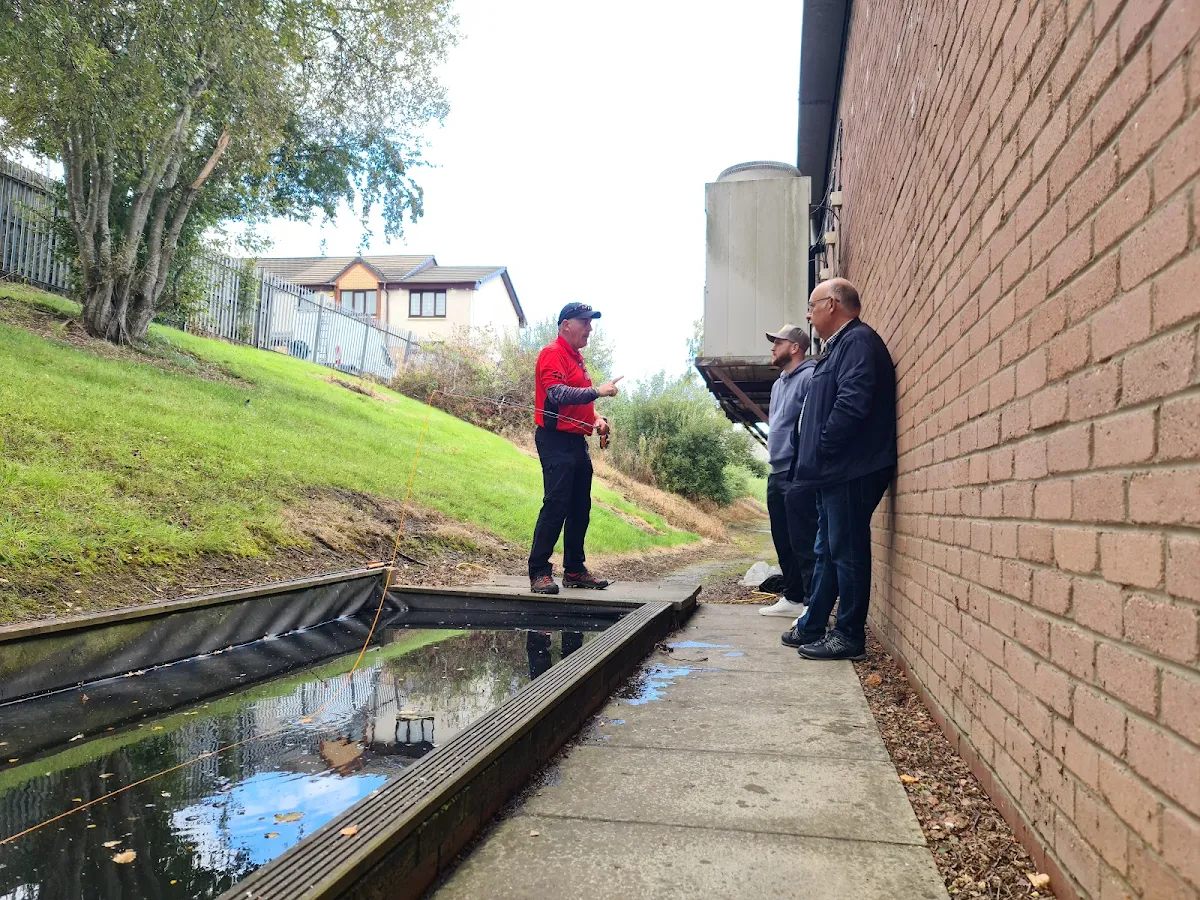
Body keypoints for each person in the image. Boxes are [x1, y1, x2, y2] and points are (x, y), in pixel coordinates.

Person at [781, 278, 897, 661]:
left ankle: (849, 635)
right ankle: (814, 624)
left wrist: (825, 448)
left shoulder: (858, 342)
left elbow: (852, 402)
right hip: (835, 471)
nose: (809, 315)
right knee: (828, 550)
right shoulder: (839, 347)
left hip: (850, 469)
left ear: (832, 304)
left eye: (812, 306)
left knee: (846, 551)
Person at [528, 302, 623, 594]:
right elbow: (556, 394)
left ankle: (574, 570)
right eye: (584, 322)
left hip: (576, 442)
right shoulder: (552, 354)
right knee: (556, 504)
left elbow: (577, 401)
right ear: (566, 324)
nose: (590, 328)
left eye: (590, 322)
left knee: (581, 507)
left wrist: (596, 418)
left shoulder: (576, 359)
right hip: (554, 440)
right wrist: (599, 391)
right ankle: (539, 572)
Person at [759, 324, 818, 618]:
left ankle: (811, 604)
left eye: (778, 342)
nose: (772, 347)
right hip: (776, 471)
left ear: (795, 347)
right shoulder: (778, 383)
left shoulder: (810, 377)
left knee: (803, 539)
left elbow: (810, 426)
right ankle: (793, 597)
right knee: (782, 538)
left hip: (797, 471)